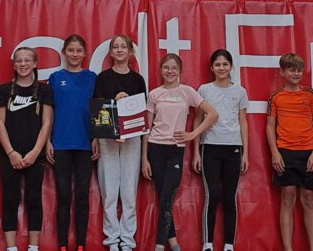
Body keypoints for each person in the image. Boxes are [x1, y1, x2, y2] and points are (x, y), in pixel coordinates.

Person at [142, 53, 218, 251]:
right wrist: (144, 159)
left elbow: (212, 114)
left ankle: (159, 246)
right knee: (163, 200)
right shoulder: (154, 94)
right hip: (155, 149)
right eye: (166, 67)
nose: (170, 71)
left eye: (174, 68)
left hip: (176, 150)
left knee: (167, 200)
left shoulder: (187, 91)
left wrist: (192, 134)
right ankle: (174, 245)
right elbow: (146, 129)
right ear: (161, 70)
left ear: (180, 71)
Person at [0, 46, 54, 251]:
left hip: (34, 155)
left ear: (35, 64)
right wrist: (11, 153)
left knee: (33, 199)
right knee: (10, 198)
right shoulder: (4, 90)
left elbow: (47, 123)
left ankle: (33, 247)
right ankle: (11, 248)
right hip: (10, 155)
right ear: (14, 65)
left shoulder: (44, 91)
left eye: (28, 60)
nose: (23, 64)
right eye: (19, 60)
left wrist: (36, 152)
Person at [93, 34, 148, 251]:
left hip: (132, 139)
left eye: (123, 46)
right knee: (109, 192)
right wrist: (114, 102)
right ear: (110, 52)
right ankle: (112, 240)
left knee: (128, 193)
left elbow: (141, 113)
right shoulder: (102, 78)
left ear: (130, 52)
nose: (119, 50)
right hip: (107, 138)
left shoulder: (137, 80)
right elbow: (98, 110)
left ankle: (127, 241)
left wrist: (128, 103)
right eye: (115, 47)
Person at [193, 49, 249, 251]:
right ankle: (207, 244)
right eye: (217, 64)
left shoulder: (240, 92)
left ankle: (229, 245)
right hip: (209, 147)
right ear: (212, 67)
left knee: (229, 198)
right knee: (212, 196)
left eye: (225, 64)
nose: (221, 68)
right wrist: (195, 152)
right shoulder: (204, 90)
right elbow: (198, 120)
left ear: (231, 66)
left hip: (233, 148)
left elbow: (243, 122)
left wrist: (245, 153)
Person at [47, 34, 98, 251]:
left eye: (79, 51)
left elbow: (99, 112)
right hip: (61, 145)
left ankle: (80, 245)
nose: (75, 54)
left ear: (84, 53)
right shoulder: (55, 78)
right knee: (64, 196)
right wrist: (47, 141)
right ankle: (62, 245)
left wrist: (96, 138)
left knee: (82, 196)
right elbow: (48, 112)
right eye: (71, 50)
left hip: (86, 145)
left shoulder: (92, 78)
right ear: (64, 53)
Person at [266, 53, 313, 251]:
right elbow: (270, 127)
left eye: (299, 70)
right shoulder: (275, 97)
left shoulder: (310, 94)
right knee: (287, 197)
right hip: (285, 153)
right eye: (291, 70)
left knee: (308, 199)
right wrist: (275, 153)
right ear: (282, 72)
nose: (296, 73)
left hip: (307, 153)